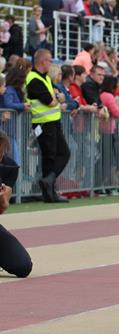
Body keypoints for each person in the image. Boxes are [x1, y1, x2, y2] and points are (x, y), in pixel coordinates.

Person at [25, 49, 70, 203]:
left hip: (52, 122)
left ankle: (49, 185)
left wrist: (57, 97)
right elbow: (51, 101)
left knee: (60, 154)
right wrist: (58, 98)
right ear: (42, 61)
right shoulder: (33, 79)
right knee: (51, 156)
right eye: (50, 60)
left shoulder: (44, 78)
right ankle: (49, 191)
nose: (51, 63)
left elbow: (58, 94)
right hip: (44, 123)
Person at [0, 130, 32, 279]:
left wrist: (2, 198)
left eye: (1, 153)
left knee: (23, 266)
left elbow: (3, 207)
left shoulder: (9, 167)